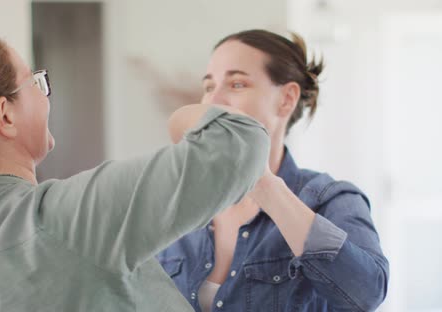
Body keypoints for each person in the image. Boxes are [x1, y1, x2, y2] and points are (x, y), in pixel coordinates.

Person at [0, 31, 271, 311]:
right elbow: (238, 144)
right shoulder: (60, 219)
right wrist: (184, 116)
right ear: (5, 116)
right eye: (34, 82)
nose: (45, 97)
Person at [158, 29, 389, 312]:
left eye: (237, 84)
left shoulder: (330, 198)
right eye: (208, 87)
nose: (214, 101)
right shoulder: (179, 211)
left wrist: (263, 184)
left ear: (287, 99)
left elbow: (366, 293)